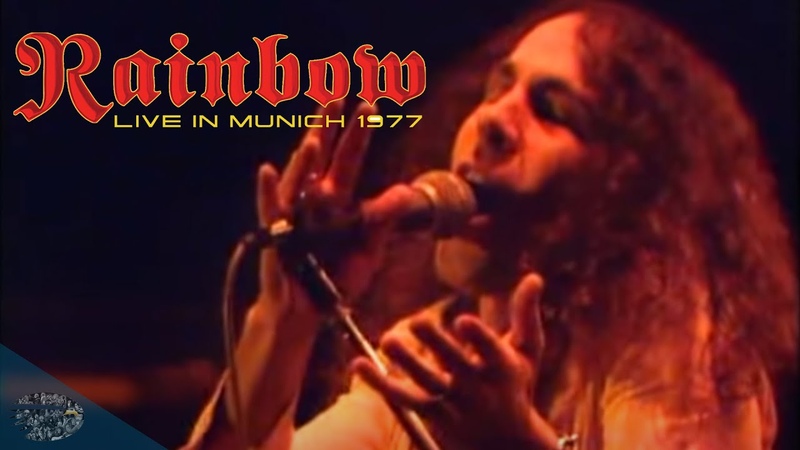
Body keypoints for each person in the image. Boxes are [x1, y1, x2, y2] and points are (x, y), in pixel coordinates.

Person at [181, 1, 797, 449]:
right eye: (497, 88)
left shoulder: (679, 346)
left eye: (552, 110)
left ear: (631, 184)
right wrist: (287, 318)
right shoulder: (431, 355)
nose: (493, 118)